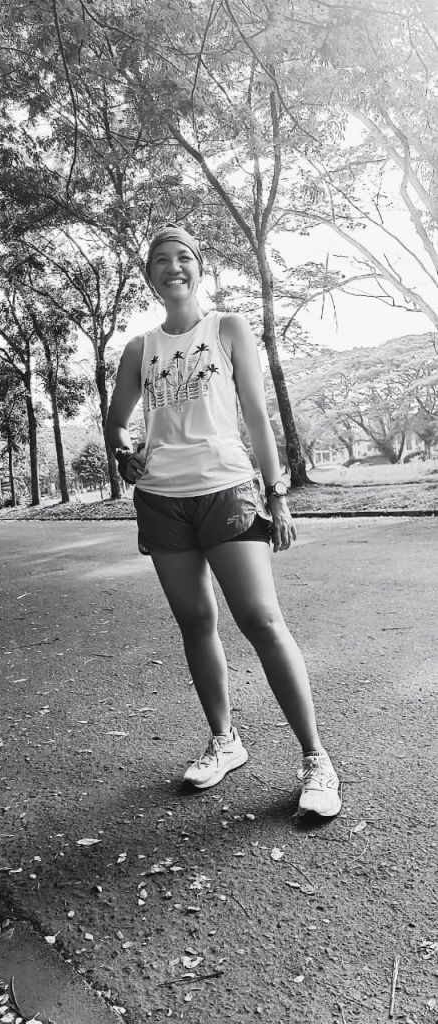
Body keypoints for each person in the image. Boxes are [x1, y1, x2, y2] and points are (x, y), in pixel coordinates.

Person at [105, 225, 341, 818]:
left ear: (199, 267)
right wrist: (125, 453)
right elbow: (117, 422)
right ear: (149, 276)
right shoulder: (139, 348)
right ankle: (224, 740)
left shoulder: (228, 328)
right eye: (161, 260)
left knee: (261, 619)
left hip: (227, 490)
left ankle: (315, 758)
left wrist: (277, 493)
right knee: (196, 621)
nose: (173, 267)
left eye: (184, 257)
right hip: (162, 499)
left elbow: (256, 416)